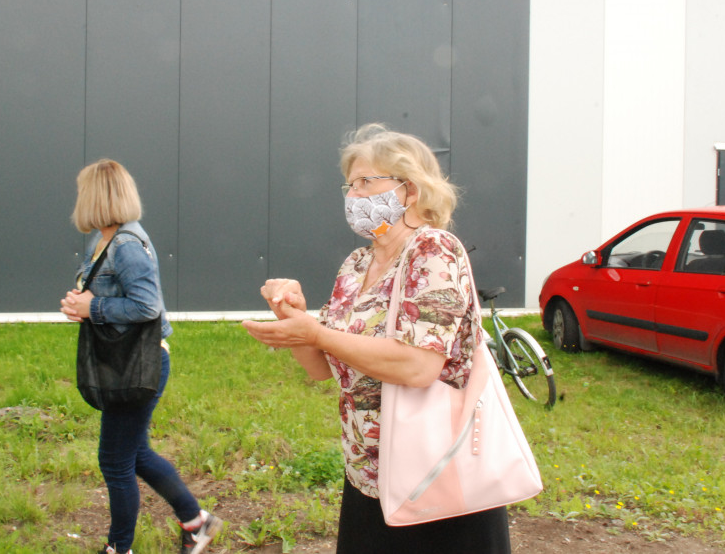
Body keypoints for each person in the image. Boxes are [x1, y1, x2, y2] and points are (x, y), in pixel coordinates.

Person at [242, 124, 512, 553]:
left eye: (367, 181)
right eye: (350, 184)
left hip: (436, 473)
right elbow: (320, 368)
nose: (354, 195)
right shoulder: (356, 263)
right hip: (369, 476)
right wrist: (293, 317)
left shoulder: (433, 250)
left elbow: (419, 367)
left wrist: (317, 333)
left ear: (411, 189)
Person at [61, 159, 222, 554]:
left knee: (115, 461)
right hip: (124, 360)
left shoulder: (127, 245)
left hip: (140, 363)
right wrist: (81, 302)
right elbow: (110, 296)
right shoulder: (105, 239)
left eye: (83, 192)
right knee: (135, 453)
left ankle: (120, 548)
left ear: (95, 197)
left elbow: (147, 307)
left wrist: (92, 309)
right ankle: (197, 522)